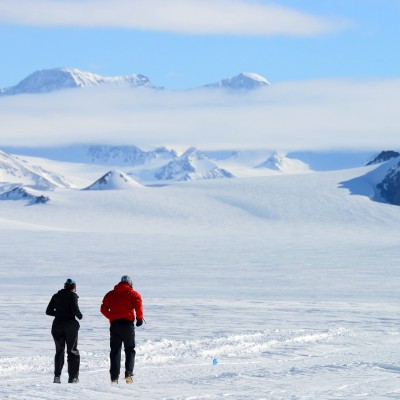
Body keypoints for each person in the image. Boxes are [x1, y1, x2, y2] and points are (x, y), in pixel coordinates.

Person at [100, 275, 144, 384]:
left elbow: (103, 308)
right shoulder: (133, 294)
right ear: (130, 284)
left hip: (114, 325)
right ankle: (128, 375)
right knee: (129, 349)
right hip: (127, 325)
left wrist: (111, 317)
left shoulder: (110, 294)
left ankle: (114, 378)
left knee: (115, 351)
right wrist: (139, 319)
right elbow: (138, 306)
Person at [46, 278, 82, 384]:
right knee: (72, 351)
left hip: (57, 326)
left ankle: (57, 377)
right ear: (73, 287)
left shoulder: (56, 296)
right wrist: (80, 316)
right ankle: (73, 378)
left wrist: (59, 314)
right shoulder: (73, 296)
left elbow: (48, 311)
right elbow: (75, 310)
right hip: (70, 326)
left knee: (59, 351)